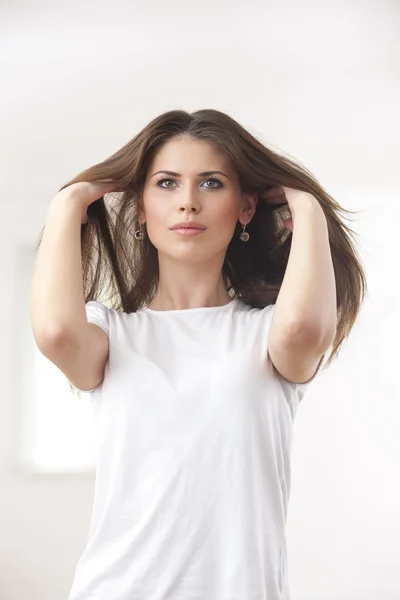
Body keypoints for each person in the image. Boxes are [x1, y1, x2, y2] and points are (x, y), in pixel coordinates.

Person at [31, 109, 367, 600]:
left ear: (245, 207)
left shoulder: (268, 335)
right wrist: (69, 201)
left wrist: (308, 207)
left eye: (211, 183)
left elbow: (302, 326)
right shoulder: (110, 333)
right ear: (141, 209)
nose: (187, 202)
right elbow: (57, 332)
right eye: (166, 184)